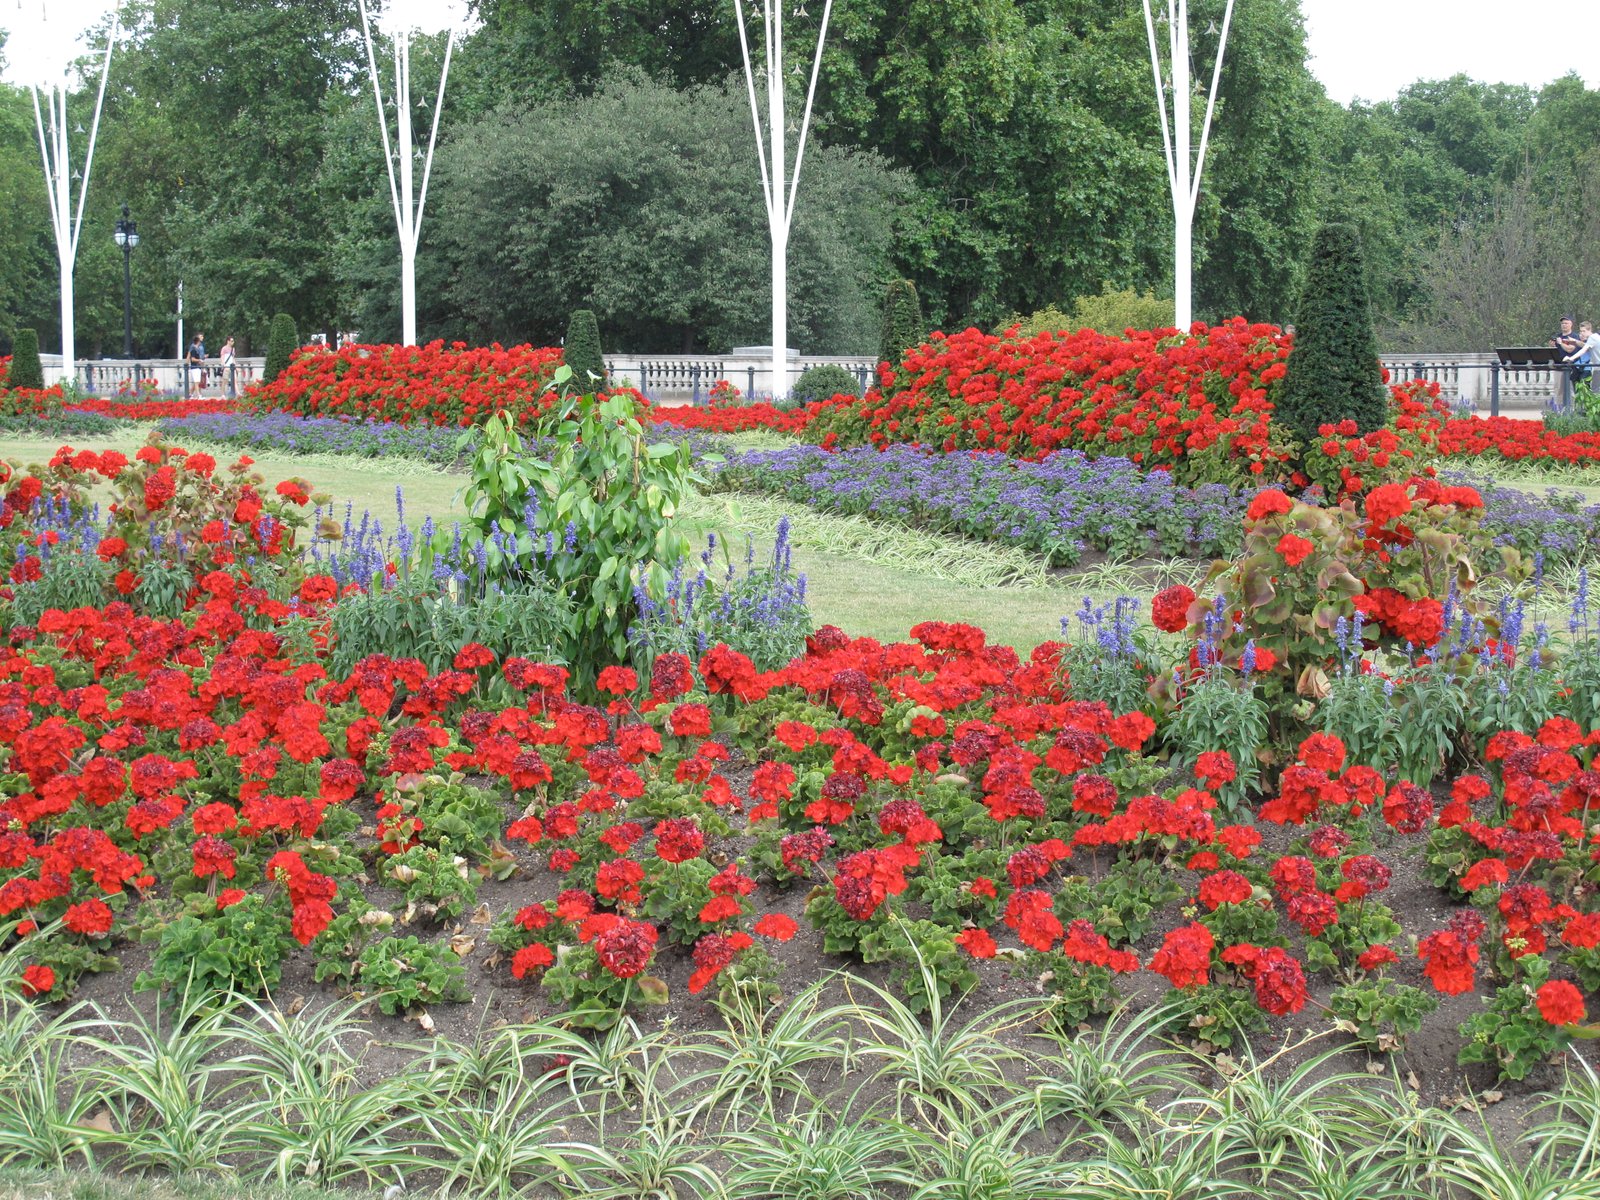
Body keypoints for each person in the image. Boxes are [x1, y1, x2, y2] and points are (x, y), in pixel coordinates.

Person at [1563, 319, 1600, 386]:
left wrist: (1571, 358)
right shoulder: (1595, 337)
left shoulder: (1592, 338)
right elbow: (1584, 346)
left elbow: (1583, 350)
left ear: (1589, 330)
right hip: (1596, 368)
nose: (1582, 333)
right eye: (1581, 331)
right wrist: (1574, 341)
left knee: (1595, 391)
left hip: (1598, 368)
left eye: (1584, 331)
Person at [186, 332, 206, 397]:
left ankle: (191, 394)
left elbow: (201, 355)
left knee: (198, 381)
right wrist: (187, 362)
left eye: (202, 337)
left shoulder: (201, 346)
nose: (202, 338)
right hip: (195, 365)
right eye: (201, 336)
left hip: (200, 364)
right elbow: (190, 354)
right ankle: (198, 394)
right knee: (197, 381)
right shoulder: (193, 346)